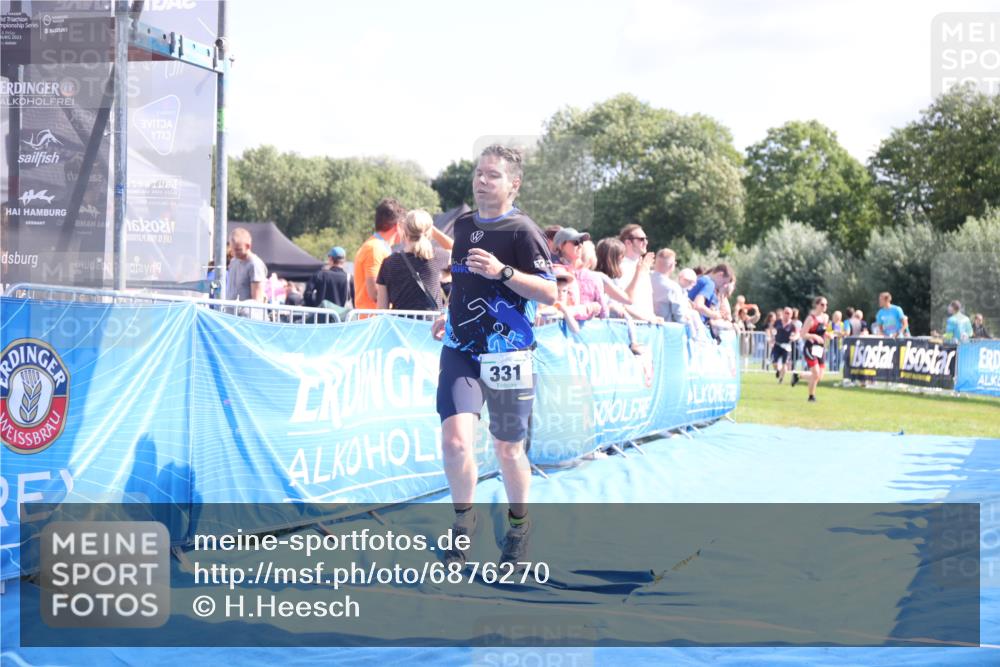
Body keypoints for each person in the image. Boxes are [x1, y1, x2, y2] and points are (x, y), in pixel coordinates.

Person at [430, 144, 557, 570]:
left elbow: (550, 292)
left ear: (513, 184)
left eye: (493, 175)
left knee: (507, 450)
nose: (482, 181)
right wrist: (445, 313)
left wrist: (503, 271)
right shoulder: (464, 226)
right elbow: (462, 281)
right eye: (479, 173)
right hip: (461, 349)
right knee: (455, 442)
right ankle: (464, 523)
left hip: (509, 354)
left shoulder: (523, 231)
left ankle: (519, 527)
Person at [377, 210, 450, 312]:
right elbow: (460, 252)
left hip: (399, 325)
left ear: (405, 231)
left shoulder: (388, 263)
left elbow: (381, 309)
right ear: (429, 232)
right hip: (432, 325)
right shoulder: (439, 257)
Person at [354, 198, 406, 311]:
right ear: (398, 226)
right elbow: (375, 293)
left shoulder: (377, 246)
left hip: (374, 319)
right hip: (371, 321)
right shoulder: (375, 249)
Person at [225, 227, 268, 317]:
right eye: (233, 248)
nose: (234, 252)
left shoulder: (255, 265)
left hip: (247, 321)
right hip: (231, 317)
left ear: (248, 246)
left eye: (238, 249)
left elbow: (257, 301)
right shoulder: (233, 261)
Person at [617, 224, 656, 318]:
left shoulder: (642, 266)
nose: (646, 242)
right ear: (628, 243)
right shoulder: (620, 267)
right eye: (641, 239)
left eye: (646, 238)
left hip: (647, 325)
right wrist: (646, 319)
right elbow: (622, 301)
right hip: (631, 327)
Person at [650, 248, 692, 324]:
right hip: (665, 329)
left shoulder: (644, 278)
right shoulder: (673, 287)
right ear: (672, 265)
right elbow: (679, 316)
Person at [800, 296, 830, 402]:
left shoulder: (826, 317)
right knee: (816, 374)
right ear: (816, 305)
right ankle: (811, 397)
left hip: (820, 349)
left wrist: (827, 335)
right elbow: (802, 334)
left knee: (819, 376)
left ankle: (799, 376)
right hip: (810, 348)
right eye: (822, 304)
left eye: (826, 305)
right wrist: (814, 336)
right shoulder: (810, 318)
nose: (824, 307)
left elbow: (822, 330)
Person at [770, 307, 798, 384]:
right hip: (777, 345)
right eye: (785, 313)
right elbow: (772, 328)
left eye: (788, 313)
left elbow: (797, 333)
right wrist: (772, 336)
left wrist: (794, 337)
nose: (786, 315)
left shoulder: (792, 325)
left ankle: (781, 379)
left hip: (786, 346)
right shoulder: (778, 322)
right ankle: (778, 370)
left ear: (791, 315)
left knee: (784, 363)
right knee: (774, 362)